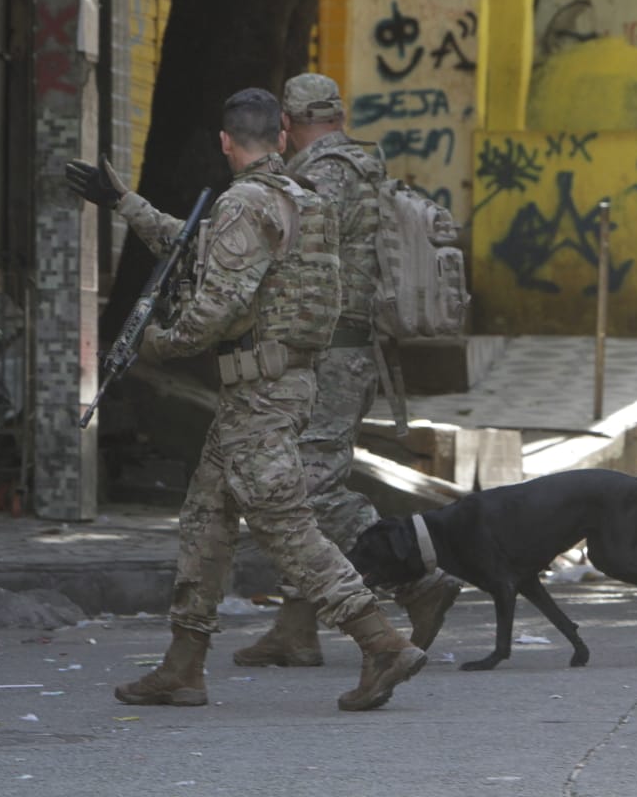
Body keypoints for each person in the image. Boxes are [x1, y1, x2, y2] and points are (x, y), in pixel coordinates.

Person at [64, 87, 425, 712]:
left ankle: (380, 640)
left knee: (285, 524)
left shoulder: (246, 204)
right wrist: (126, 203)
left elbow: (217, 303)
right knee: (207, 517)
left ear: (226, 142)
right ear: (279, 139)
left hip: (260, 392)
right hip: (275, 387)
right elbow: (196, 248)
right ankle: (183, 665)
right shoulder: (298, 201)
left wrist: (161, 345)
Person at [231, 73, 463, 670]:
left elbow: (293, 249)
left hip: (334, 350)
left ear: (287, 122)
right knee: (302, 483)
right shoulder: (360, 164)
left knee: (311, 488)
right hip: (345, 348)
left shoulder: (325, 173)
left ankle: (419, 583)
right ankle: (295, 627)